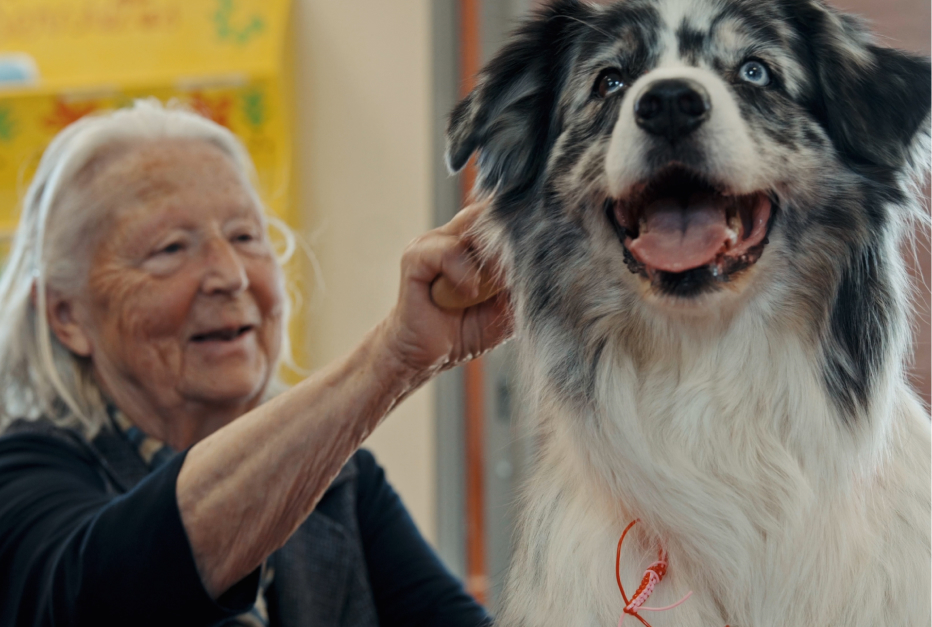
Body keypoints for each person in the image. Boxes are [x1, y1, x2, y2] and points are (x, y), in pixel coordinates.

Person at [0, 100, 512, 627]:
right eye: (171, 248)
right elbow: (114, 591)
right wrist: (392, 358)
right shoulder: (23, 475)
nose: (231, 275)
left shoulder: (342, 483)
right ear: (67, 317)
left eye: (246, 237)